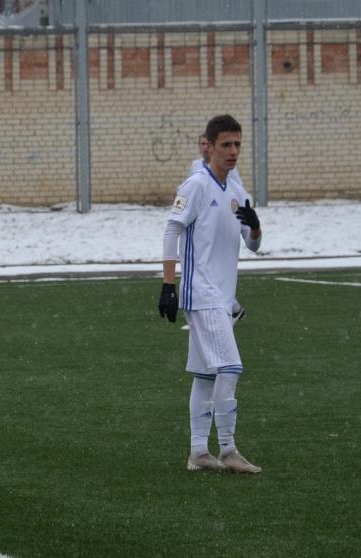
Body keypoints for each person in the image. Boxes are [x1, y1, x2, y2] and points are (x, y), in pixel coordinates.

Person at [159, 114, 263, 474]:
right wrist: (168, 285)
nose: (233, 151)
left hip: (223, 296)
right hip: (201, 293)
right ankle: (229, 449)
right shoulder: (197, 185)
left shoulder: (236, 190)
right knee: (230, 367)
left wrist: (255, 227)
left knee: (206, 375)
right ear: (210, 146)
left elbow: (252, 247)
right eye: (226, 145)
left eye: (237, 144)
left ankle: (199, 453)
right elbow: (171, 229)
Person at [184, 134, 245, 328]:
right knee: (206, 269)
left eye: (237, 145)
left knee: (216, 270)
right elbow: (172, 228)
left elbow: (237, 196)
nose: (204, 148)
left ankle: (230, 309)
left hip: (223, 222)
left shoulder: (230, 176)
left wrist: (252, 224)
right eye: (201, 144)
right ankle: (227, 310)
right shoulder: (195, 171)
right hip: (203, 224)